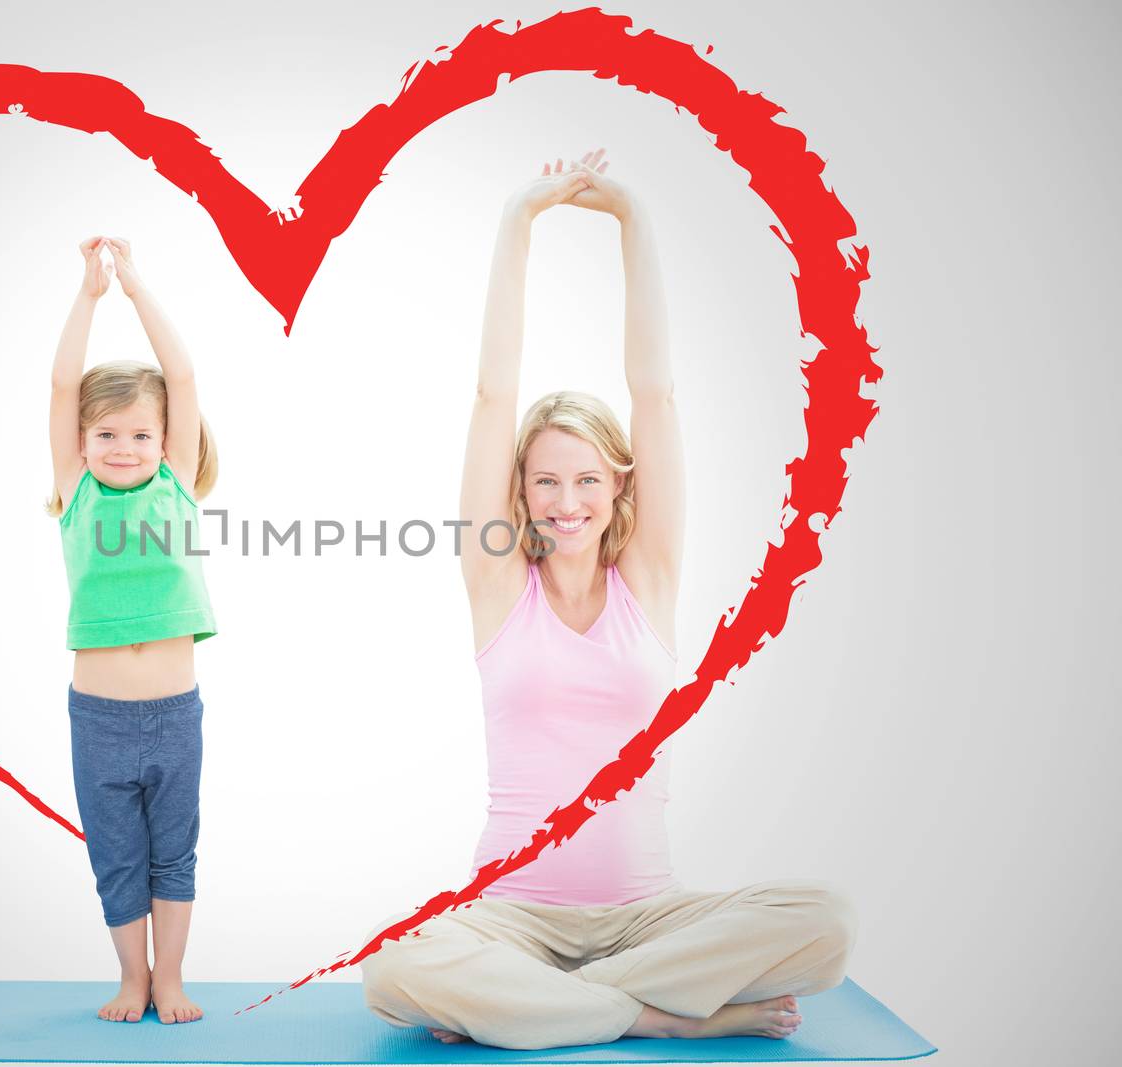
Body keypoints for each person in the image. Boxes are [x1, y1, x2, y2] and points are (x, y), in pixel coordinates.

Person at [358, 150, 857, 1050]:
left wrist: (633, 217)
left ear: (619, 484)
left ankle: (545, 1006)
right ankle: (654, 1014)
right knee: (395, 969)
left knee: (826, 922)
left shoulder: (651, 581)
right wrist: (519, 218)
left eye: (587, 478)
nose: (565, 501)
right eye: (545, 480)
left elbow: (655, 394)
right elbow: (489, 396)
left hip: (645, 917)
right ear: (521, 491)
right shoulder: (498, 582)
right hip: (508, 915)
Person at [47, 236, 216, 1025]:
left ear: (165, 441)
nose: (124, 448)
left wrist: (138, 286)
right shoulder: (78, 495)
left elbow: (179, 377)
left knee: (172, 854)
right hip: (101, 721)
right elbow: (59, 385)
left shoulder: (176, 487)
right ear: (82, 442)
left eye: (140, 434)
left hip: (175, 713)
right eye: (107, 434)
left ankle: (172, 978)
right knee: (115, 855)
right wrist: (88, 296)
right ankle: (133, 979)